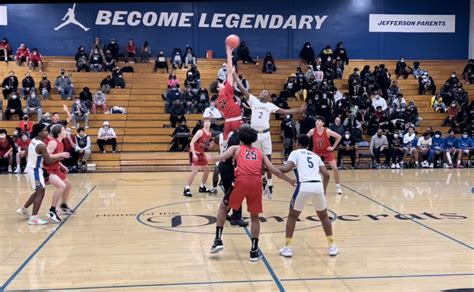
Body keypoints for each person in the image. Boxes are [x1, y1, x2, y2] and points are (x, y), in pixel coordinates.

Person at [208, 125, 294, 261]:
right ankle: (254, 251)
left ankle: (218, 239)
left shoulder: (235, 148)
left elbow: (220, 158)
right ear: (253, 140)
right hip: (256, 184)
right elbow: (274, 170)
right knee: (254, 217)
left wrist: (203, 159)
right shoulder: (260, 153)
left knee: (223, 208)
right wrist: (289, 180)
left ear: (240, 138)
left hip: (241, 182)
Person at [235, 73, 305, 194]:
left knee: (268, 159)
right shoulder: (254, 101)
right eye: (262, 92)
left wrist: (298, 110)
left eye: (266, 92)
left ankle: (270, 183)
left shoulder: (270, 105)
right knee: (256, 159)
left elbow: (283, 111)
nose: (263, 93)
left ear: (269, 98)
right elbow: (242, 88)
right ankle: (259, 181)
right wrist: (235, 77)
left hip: (266, 134)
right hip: (254, 135)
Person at [277, 134, 339, 257]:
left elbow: (286, 168)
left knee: (292, 217)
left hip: (304, 186)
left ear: (296, 142)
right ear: (308, 144)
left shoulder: (295, 153)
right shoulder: (315, 155)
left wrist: (269, 168)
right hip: (318, 186)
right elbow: (326, 175)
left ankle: (288, 247)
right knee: (324, 217)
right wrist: (324, 190)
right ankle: (332, 246)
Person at [16, 124, 69, 225]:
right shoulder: (41, 145)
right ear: (39, 132)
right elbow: (48, 161)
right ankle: (34, 218)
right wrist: (60, 156)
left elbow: (27, 151)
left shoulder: (33, 140)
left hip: (33, 168)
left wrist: (24, 153)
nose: (47, 133)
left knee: (38, 192)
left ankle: (23, 209)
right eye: (45, 131)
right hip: (35, 170)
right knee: (41, 192)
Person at [44, 124, 74, 223]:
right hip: (48, 170)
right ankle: (52, 211)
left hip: (56, 168)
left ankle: (63, 205)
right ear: (59, 133)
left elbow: (55, 157)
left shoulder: (61, 143)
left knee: (68, 185)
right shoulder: (53, 142)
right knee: (62, 186)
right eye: (64, 130)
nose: (65, 131)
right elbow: (47, 156)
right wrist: (61, 154)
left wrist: (62, 166)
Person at [211, 43, 241, 140]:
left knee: (226, 144)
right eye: (220, 84)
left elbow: (223, 115)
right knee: (241, 144)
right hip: (236, 121)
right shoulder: (226, 91)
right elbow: (228, 72)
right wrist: (229, 54)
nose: (222, 84)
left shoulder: (217, 102)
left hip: (227, 122)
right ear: (218, 88)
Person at [307, 116, 342, 194]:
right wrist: (305, 147)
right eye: (316, 121)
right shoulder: (312, 131)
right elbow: (305, 138)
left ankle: (338, 187)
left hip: (326, 151)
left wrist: (333, 147)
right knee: (313, 169)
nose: (317, 122)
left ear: (323, 123)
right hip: (316, 152)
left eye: (319, 121)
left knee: (335, 168)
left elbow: (339, 137)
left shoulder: (327, 131)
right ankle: (312, 186)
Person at [183, 118, 216, 197]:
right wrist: (194, 154)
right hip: (194, 152)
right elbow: (191, 143)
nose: (207, 123)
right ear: (203, 123)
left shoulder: (209, 134)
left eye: (208, 121)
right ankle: (186, 188)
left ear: (210, 123)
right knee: (195, 171)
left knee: (207, 170)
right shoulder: (200, 132)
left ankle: (202, 187)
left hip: (201, 154)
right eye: (205, 121)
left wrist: (210, 146)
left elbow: (203, 145)